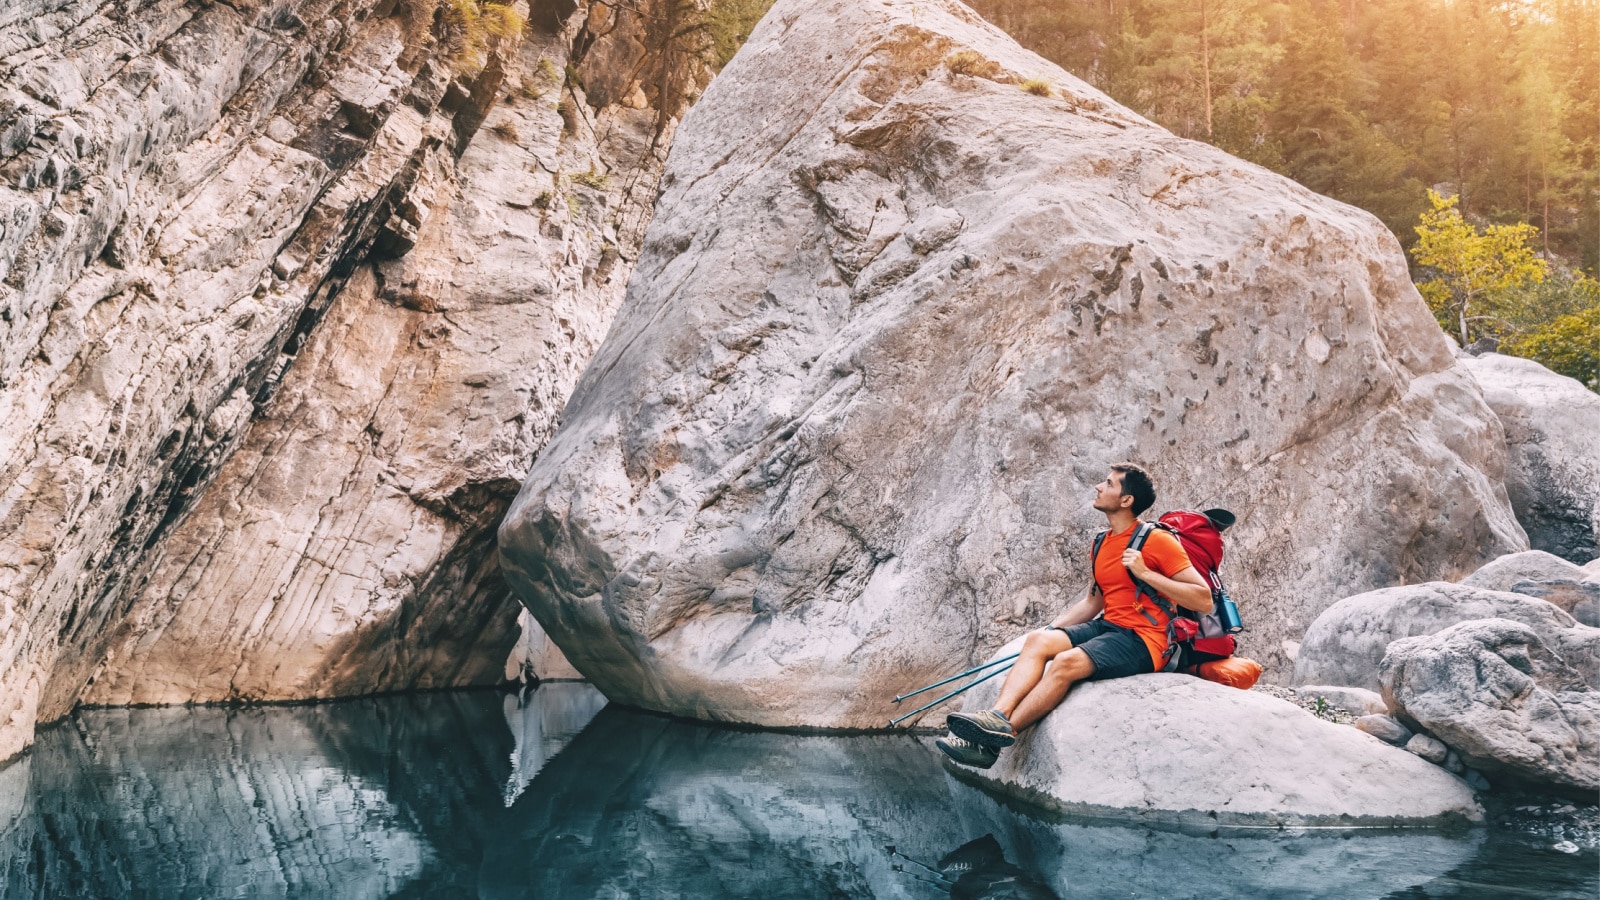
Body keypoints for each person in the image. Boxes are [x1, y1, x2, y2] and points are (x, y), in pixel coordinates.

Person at [936, 463, 1214, 769]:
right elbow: (1093, 603)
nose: (1098, 487)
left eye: (1108, 484)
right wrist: (1053, 630)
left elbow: (1203, 599)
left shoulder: (1157, 541)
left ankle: (994, 744)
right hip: (1110, 626)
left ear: (1126, 500)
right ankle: (998, 717)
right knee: (1039, 641)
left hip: (1148, 640)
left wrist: (1146, 573)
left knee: (1067, 663)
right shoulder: (1101, 542)